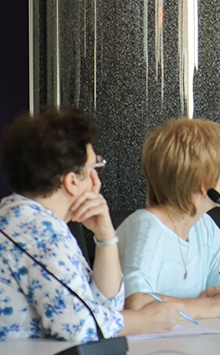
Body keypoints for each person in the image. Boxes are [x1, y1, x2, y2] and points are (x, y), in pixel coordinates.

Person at [0, 108, 183, 342]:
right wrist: (146, 320)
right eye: (93, 168)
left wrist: (106, 237)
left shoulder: (22, 218)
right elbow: (80, 326)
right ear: (72, 182)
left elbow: (105, 306)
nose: (97, 180)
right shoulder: (39, 232)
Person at [118, 118, 220, 318]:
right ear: (204, 181)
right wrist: (215, 305)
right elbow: (136, 304)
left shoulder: (201, 225)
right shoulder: (146, 228)